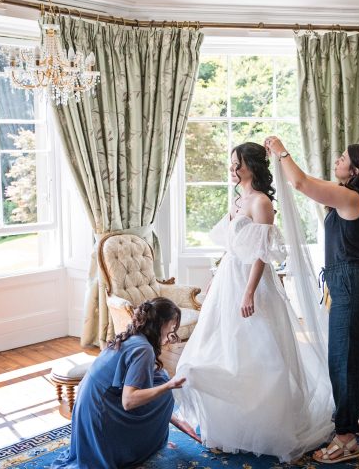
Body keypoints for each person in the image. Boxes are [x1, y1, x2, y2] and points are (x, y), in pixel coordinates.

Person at [173, 142, 335, 463]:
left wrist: (249, 293)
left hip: (252, 284)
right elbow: (233, 247)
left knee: (260, 352)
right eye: (231, 163)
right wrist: (216, 276)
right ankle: (228, 422)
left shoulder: (262, 203)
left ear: (252, 166)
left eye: (238, 164)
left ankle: (266, 423)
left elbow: (261, 254)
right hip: (228, 280)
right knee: (223, 347)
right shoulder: (236, 200)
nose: (233, 169)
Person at [265, 136, 359, 464]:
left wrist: (281, 150)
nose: (337, 159)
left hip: (352, 285)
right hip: (357, 283)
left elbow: (301, 182)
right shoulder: (350, 197)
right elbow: (308, 182)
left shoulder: (348, 197)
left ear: (355, 170)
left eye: (343, 158)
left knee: (344, 361)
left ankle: (345, 439)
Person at [51, 297, 186, 469]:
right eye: (171, 327)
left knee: (160, 377)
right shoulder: (144, 350)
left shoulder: (132, 335)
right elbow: (129, 402)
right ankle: (137, 448)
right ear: (160, 324)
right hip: (100, 415)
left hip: (87, 407)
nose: (172, 333)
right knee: (166, 389)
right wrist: (169, 386)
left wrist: (170, 417)